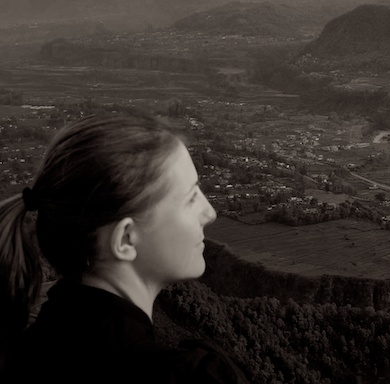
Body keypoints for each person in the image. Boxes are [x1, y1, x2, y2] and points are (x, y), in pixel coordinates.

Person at [0, 113, 250, 383]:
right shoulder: (186, 376)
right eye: (191, 198)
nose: (210, 213)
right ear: (126, 240)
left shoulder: (26, 350)